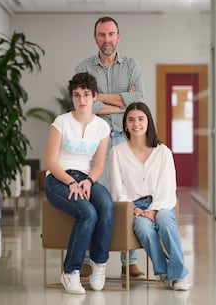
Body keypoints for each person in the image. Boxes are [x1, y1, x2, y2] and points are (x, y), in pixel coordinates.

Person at [76, 16, 145, 279]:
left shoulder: (131, 65)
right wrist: (121, 102)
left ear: (119, 36)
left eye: (111, 34)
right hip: (94, 141)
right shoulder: (83, 67)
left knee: (128, 198)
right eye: (102, 35)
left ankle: (130, 261)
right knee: (91, 196)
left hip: (127, 140)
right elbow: (85, 105)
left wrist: (98, 96)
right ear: (96, 38)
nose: (107, 39)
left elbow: (137, 101)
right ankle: (84, 258)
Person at [44, 72, 114, 294]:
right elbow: (51, 162)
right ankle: (70, 272)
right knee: (87, 213)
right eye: (76, 95)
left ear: (94, 97)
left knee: (105, 204)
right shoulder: (61, 122)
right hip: (58, 179)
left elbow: (99, 165)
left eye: (86, 94)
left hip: (86, 178)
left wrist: (89, 182)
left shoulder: (102, 127)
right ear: (72, 98)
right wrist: (71, 182)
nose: (81, 100)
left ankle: (99, 264)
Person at [109, 102, 190, 291]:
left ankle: (178, 276)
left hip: (161, 203)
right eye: (131, 120)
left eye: (140, 119)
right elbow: (116, 188)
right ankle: (164, 272)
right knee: (143, 228)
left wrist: (154, 209)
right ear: (125, 124)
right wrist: (134, 209)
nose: (136, 124)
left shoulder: (163, 152)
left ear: (148, 122)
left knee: (165, 222)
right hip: (132, 206)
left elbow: (168, 186)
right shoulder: (117, 152)